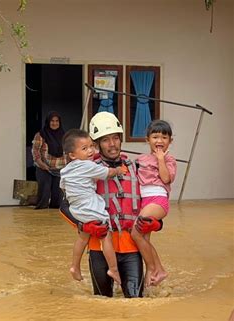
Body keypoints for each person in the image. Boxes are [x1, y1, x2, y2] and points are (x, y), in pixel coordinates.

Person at [60, 112, 163, 298]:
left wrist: (157, 224)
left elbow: (154, 200)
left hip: (131, 247)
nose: (112, 143)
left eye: (116, 138)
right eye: (106, 140)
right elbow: (65, 207)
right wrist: (83, 225)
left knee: (135, 301)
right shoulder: (85, 169)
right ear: (97, 144)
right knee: (102, 301)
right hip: (99, 247)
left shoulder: (137, 167)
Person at [60, 129, 124, 285]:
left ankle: (75, 266)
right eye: (84, 148)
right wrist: (119, 170)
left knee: (83, 237)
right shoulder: (87, 166)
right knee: (106, 235)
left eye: (91, 146)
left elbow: (63, 187)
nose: (90, 151)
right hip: (90, 207)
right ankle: (113, 269)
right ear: (73, 155)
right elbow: (107, 172)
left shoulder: (65, 170)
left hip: (76, 208)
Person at [131, 120, 176, 287]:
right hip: (144, 202)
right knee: (144, 240)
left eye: (164, 137)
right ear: (147, 139)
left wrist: (161, 159)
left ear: (170, 141)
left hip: (158, 200)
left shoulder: (169, 160)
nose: (159, 141)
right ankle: (151, 278)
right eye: (155, 136)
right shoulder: (140, 159)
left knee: (135, 233)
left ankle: (156, 268)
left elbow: (165, 178)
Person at [31, 111, 66, 209]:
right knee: (44, 194)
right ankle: (42, 219)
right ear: (48, 122)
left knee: (57, 197)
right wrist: (41, 164)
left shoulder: (64, 135)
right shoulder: (41, 135)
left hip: (59, 168)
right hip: (44, 168)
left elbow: (67, 152)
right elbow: (35, 151)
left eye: (57, 121)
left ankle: (53, 221)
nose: (54, 123)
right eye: (52, 121)